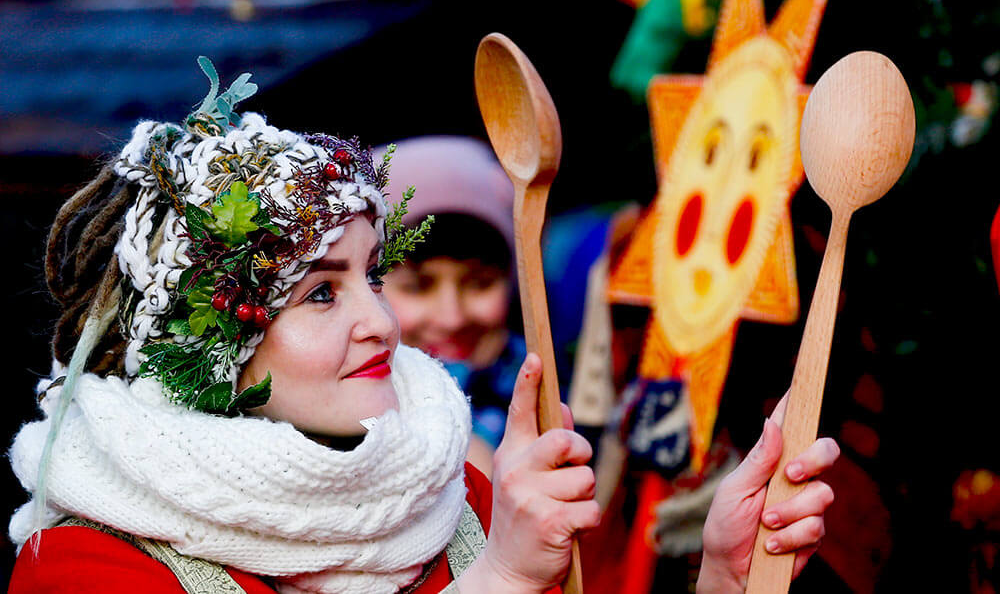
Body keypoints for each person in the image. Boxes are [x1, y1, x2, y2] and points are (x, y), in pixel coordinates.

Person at [6, 62, 836, 593]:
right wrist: (503, 576)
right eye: (321, 295)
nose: (383, 320)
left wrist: (729, 577)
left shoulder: (458, 493)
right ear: (208, 341)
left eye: (371, 275)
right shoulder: (89, 566)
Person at [377, 136, 521, 476]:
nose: (452, 318)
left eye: (480, 283)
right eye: (417, 287)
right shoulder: (340, 421)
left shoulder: (552, 393)